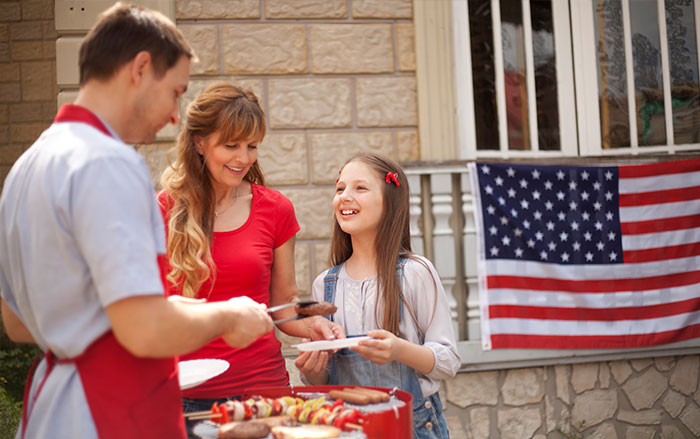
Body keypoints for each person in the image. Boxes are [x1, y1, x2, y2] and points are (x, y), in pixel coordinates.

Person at [0, 4, 274, 439]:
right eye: (175, 92)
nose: (173, 115)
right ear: (141, 68)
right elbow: (144, 330)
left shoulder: (27, 165)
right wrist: (227, 315)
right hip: (110, 409)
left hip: (51, 408)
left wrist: (182, 308)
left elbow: (17, 322)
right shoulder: (109, 162)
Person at [158, 82, 344, 436]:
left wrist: (314, 327)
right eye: (231, 145)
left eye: (252, 146)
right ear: (200, 142)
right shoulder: (160, 211)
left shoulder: (275, 209)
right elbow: (149, 311)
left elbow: (285, 302)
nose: (243, 158)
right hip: (182, 400)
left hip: (263, 395)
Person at [295, 152, 461, 439]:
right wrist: (313, 370)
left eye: (360, 188)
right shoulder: (325, 285)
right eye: (340, 188)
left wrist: (399, 350)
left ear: (390, 202)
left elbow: (448, 361)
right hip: (346, 428)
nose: (345, 196)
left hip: (412, 428)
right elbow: (323, 380)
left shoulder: (415, 273)